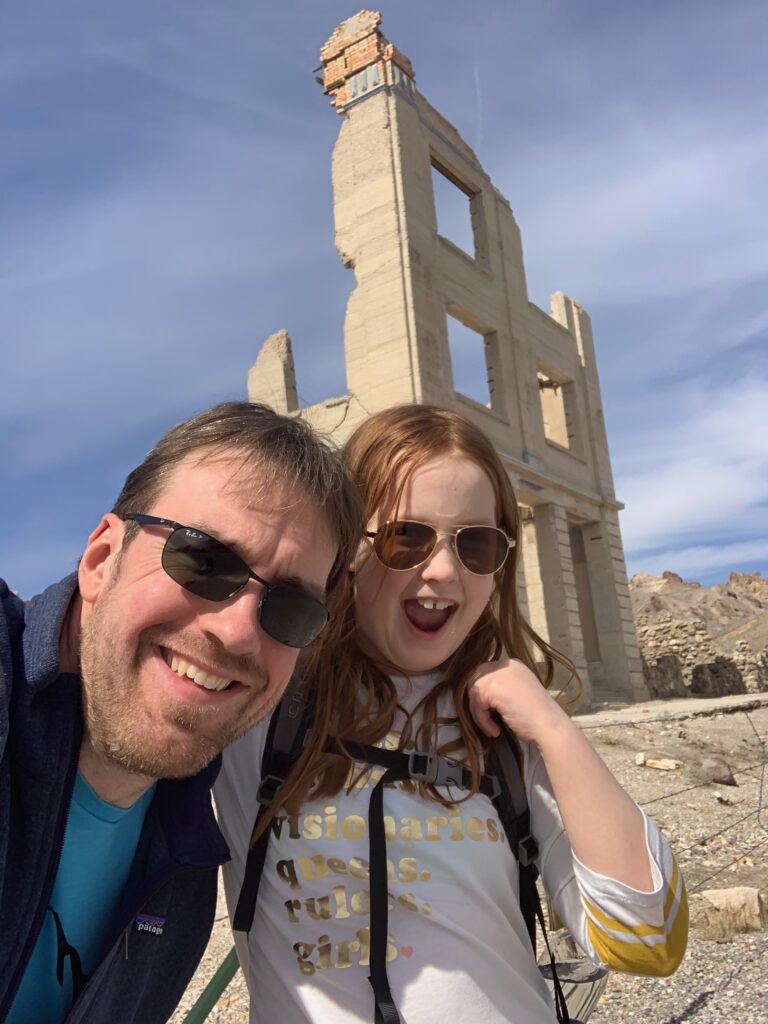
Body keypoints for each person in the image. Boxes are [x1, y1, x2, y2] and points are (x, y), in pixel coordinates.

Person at [216, 403, 689, 1024]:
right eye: (404, 537)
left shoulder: (508, 736)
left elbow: (646, 942)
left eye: (477, 543)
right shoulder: (265, 706)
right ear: (348, 548)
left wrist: (553, 729)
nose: (442, 569)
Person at [0, 401, 361, 1024]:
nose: (240, 632)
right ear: (100, 559)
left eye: (292, 610)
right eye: (204, 562)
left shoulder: (188, 874)